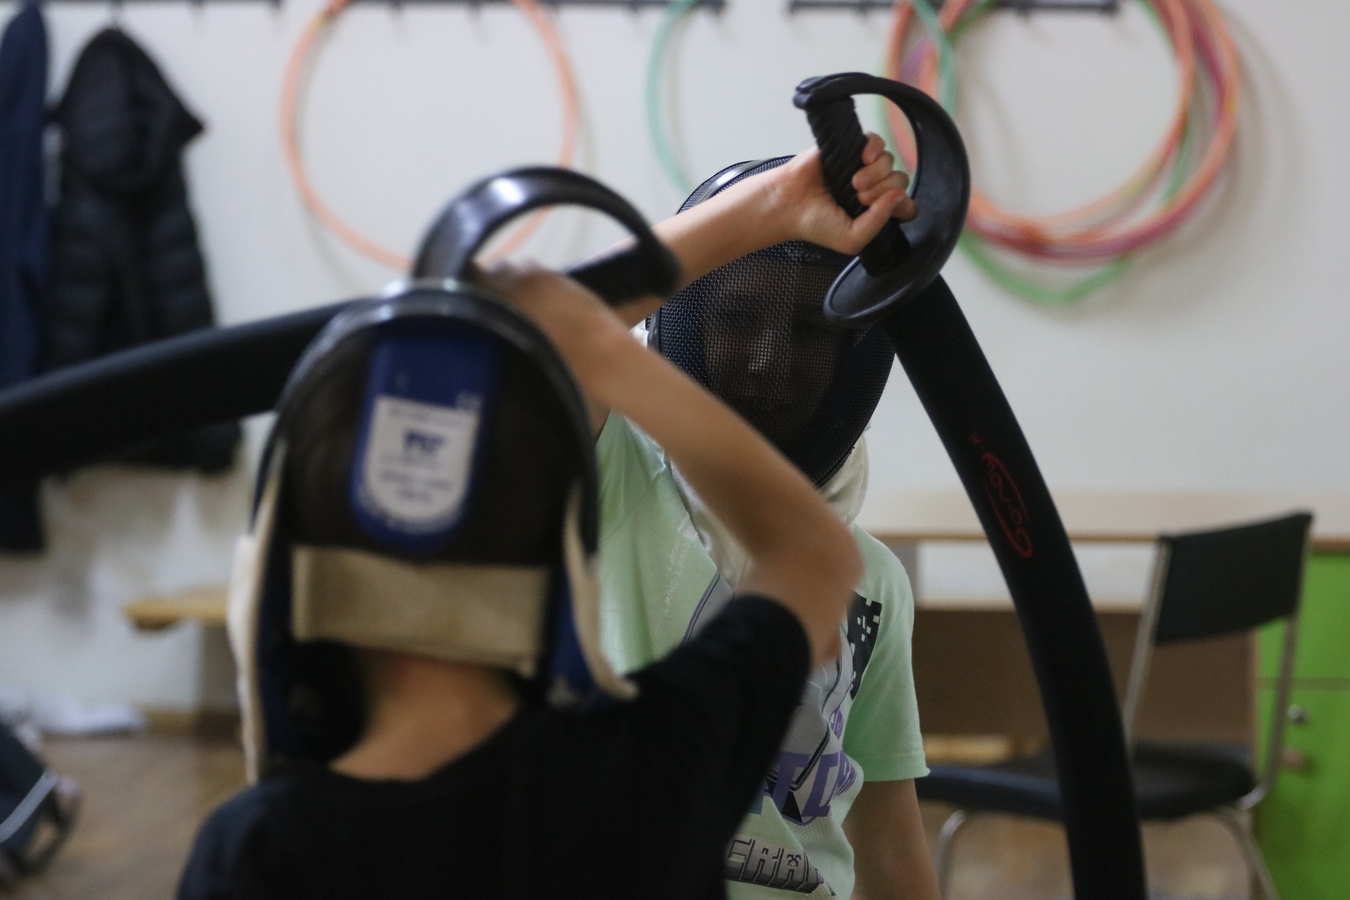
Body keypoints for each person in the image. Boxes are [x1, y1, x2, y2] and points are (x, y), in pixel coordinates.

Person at [176, 255, 867, 899]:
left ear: (285, 570)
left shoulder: (258, 850)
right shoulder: (655, 765)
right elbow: (812, 553)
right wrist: (601, 348)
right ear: (562, 554)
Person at [592, 135, 942, 900]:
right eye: (737, 318)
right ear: (685, 320)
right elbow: (550, 329)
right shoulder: (607, 474)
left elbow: (890, 849)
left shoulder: (871, 580)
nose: (768, 360)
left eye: (809, 331)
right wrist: (767, 209)